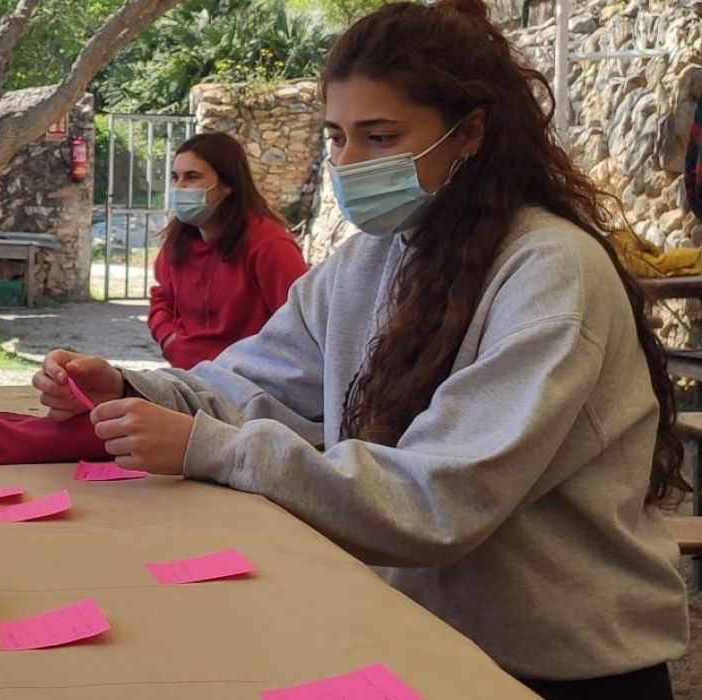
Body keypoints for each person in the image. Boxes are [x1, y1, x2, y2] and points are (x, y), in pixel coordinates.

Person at [34, 2, 688, 698]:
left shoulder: (551, 272)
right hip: (411, 637)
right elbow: (253, 384)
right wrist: (132, 391)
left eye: (378, 136)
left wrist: (216, 449)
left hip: (554, 672)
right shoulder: (369, 260)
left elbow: (437, 502)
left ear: (469, 132)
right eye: (336, 137)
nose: (348, 163)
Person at [149, 132, 307, 369]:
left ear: (227, 185)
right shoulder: (179, 240)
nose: (179, 187)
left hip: (249, 388)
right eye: (175, 177)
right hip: (189, 380)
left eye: (192, 177)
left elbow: (299, 323)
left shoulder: (268, 244)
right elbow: (162, 297)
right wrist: (169, 338)